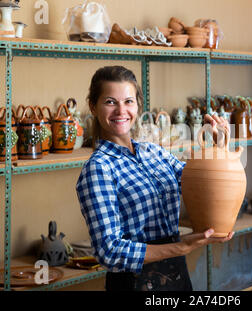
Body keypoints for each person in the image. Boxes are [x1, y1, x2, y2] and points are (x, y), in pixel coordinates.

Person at [75, 65, 233, 291]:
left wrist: (219, 148)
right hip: (133, 282)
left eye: (128, 101)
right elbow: (108, 251)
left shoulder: (153, 152)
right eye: (110, 102)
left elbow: (197, 183)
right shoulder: (98, 168)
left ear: (138, 105)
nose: (121, 111)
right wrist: (179, 247)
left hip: (177, 275)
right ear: (93, 106)